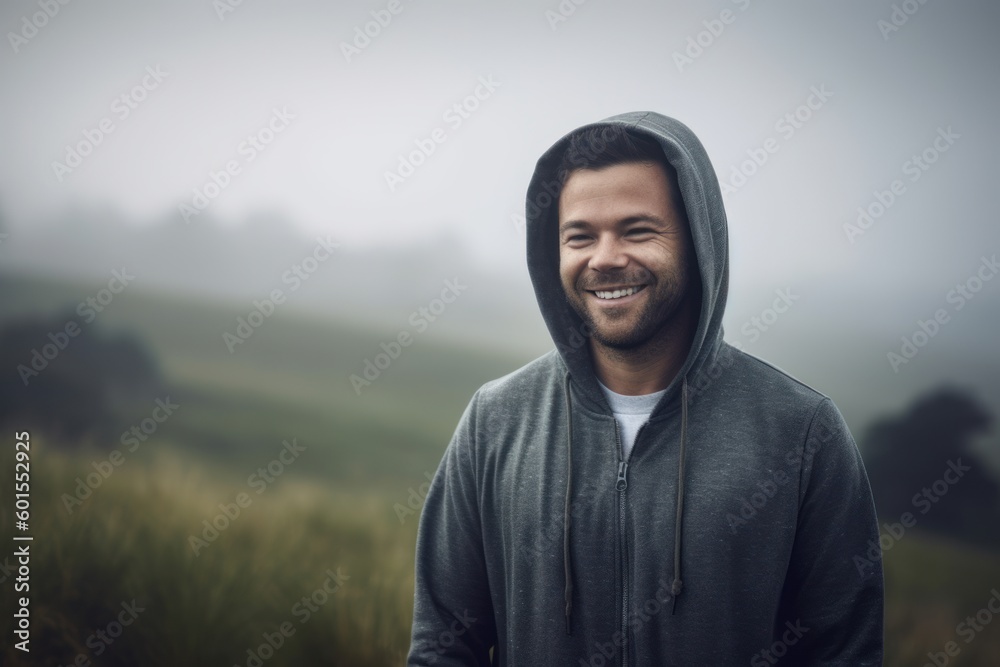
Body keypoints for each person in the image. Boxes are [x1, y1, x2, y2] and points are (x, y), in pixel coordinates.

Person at [407, 111, 884, 665]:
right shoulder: (495, 421)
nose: (605, 258)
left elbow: (844, 653)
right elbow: (444, 647)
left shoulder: (801, 432)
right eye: (580, 236)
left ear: (698, 240)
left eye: (637, 230)